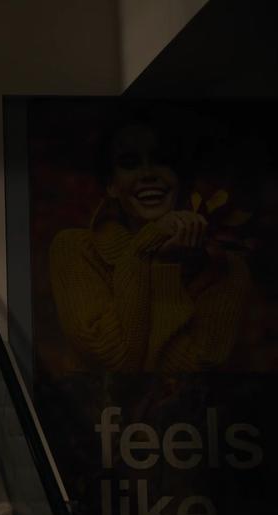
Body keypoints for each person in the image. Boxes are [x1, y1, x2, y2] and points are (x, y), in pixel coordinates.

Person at [48, 121, 251, 373]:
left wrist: (167, 266)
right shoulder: (75, 249)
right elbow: (112, 358)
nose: (147, 174)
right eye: (130, 163)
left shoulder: (225, 267)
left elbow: (194, 371)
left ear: (182, 177)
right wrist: (148, 247)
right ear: (111, 184)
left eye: (162, 160)